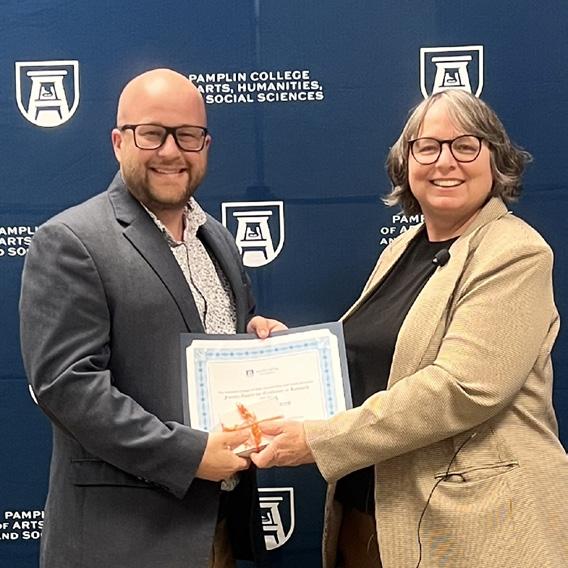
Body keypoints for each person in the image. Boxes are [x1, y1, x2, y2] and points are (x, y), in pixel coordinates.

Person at [251, 90, 568, 568]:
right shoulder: (401, 250)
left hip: (470, 529)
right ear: (407, 162)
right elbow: (372, 360)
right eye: (428, 146)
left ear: (496, 160)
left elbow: (462, 388)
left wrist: (319, 439)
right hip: (369, 517)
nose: (446, 161)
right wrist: (287, 354)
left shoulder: (515, 253)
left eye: (466, 146)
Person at [19, 68, 285, 568]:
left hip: (218, 531)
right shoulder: (71, 241)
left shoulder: (218, 239)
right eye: (152, 133)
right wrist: (189, 455)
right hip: (123, 542)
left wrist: (255, 340)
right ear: (118, 142)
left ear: (205, 144)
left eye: (187, 135)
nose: (170, 151)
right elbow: (67, 386)